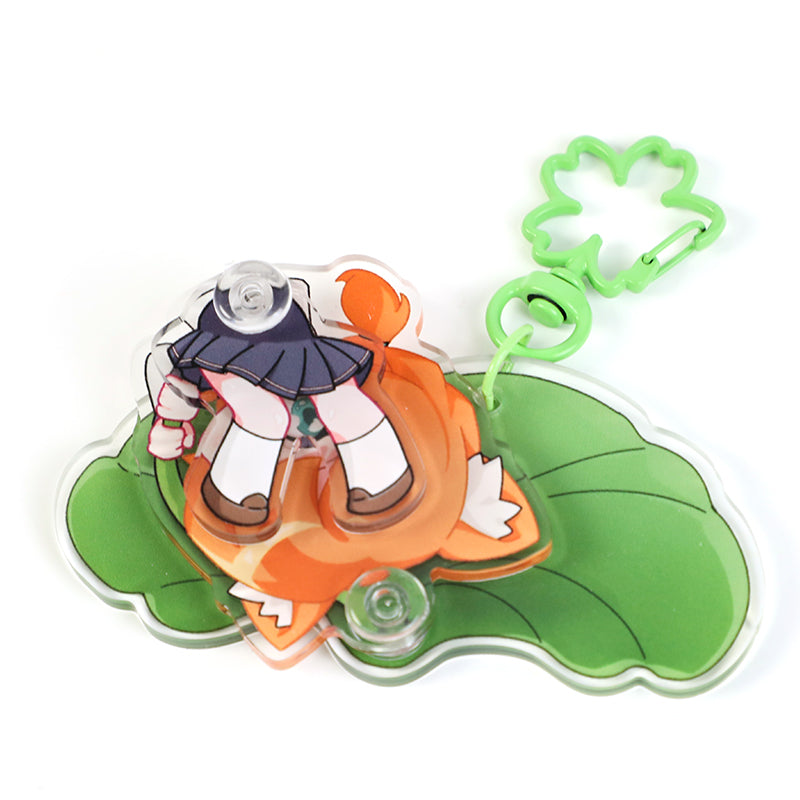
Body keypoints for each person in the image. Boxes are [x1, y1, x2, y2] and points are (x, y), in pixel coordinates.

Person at [147, 261, 412, 526]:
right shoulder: (227, 377)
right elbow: (181, 389)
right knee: (264, 415)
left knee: (340, 403)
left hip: (297, 363)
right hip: (256, 426)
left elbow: (341, 400)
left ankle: (384, 479)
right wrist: (169, 426)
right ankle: (237, 496)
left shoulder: (321, 381)